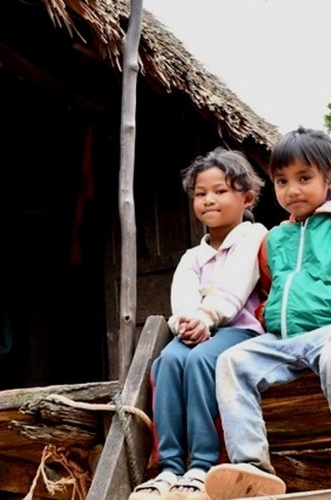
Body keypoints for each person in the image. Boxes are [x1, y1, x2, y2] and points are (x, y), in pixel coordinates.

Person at [205, 127, 331, 499]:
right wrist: (269, 314)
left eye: (304, 178)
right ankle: (251, 467)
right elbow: (269, 290)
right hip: (284, 340)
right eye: (282, 181)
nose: (292, 190)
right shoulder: (274, 239)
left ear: (330, 178)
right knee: (231, 361)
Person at [130, 148, 268, 500]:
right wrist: (187, 322)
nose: (209, 200)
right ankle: (169, 467)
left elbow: (236, 287)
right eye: (200, 193)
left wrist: (207, 318)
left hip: (240, 331)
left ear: (247, 198)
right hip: (199, 331)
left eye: (220, 191)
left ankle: (204, 464)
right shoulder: (193, 256)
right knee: (168, 361)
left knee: (202, 361)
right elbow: (183, 298)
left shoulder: (253, 236)